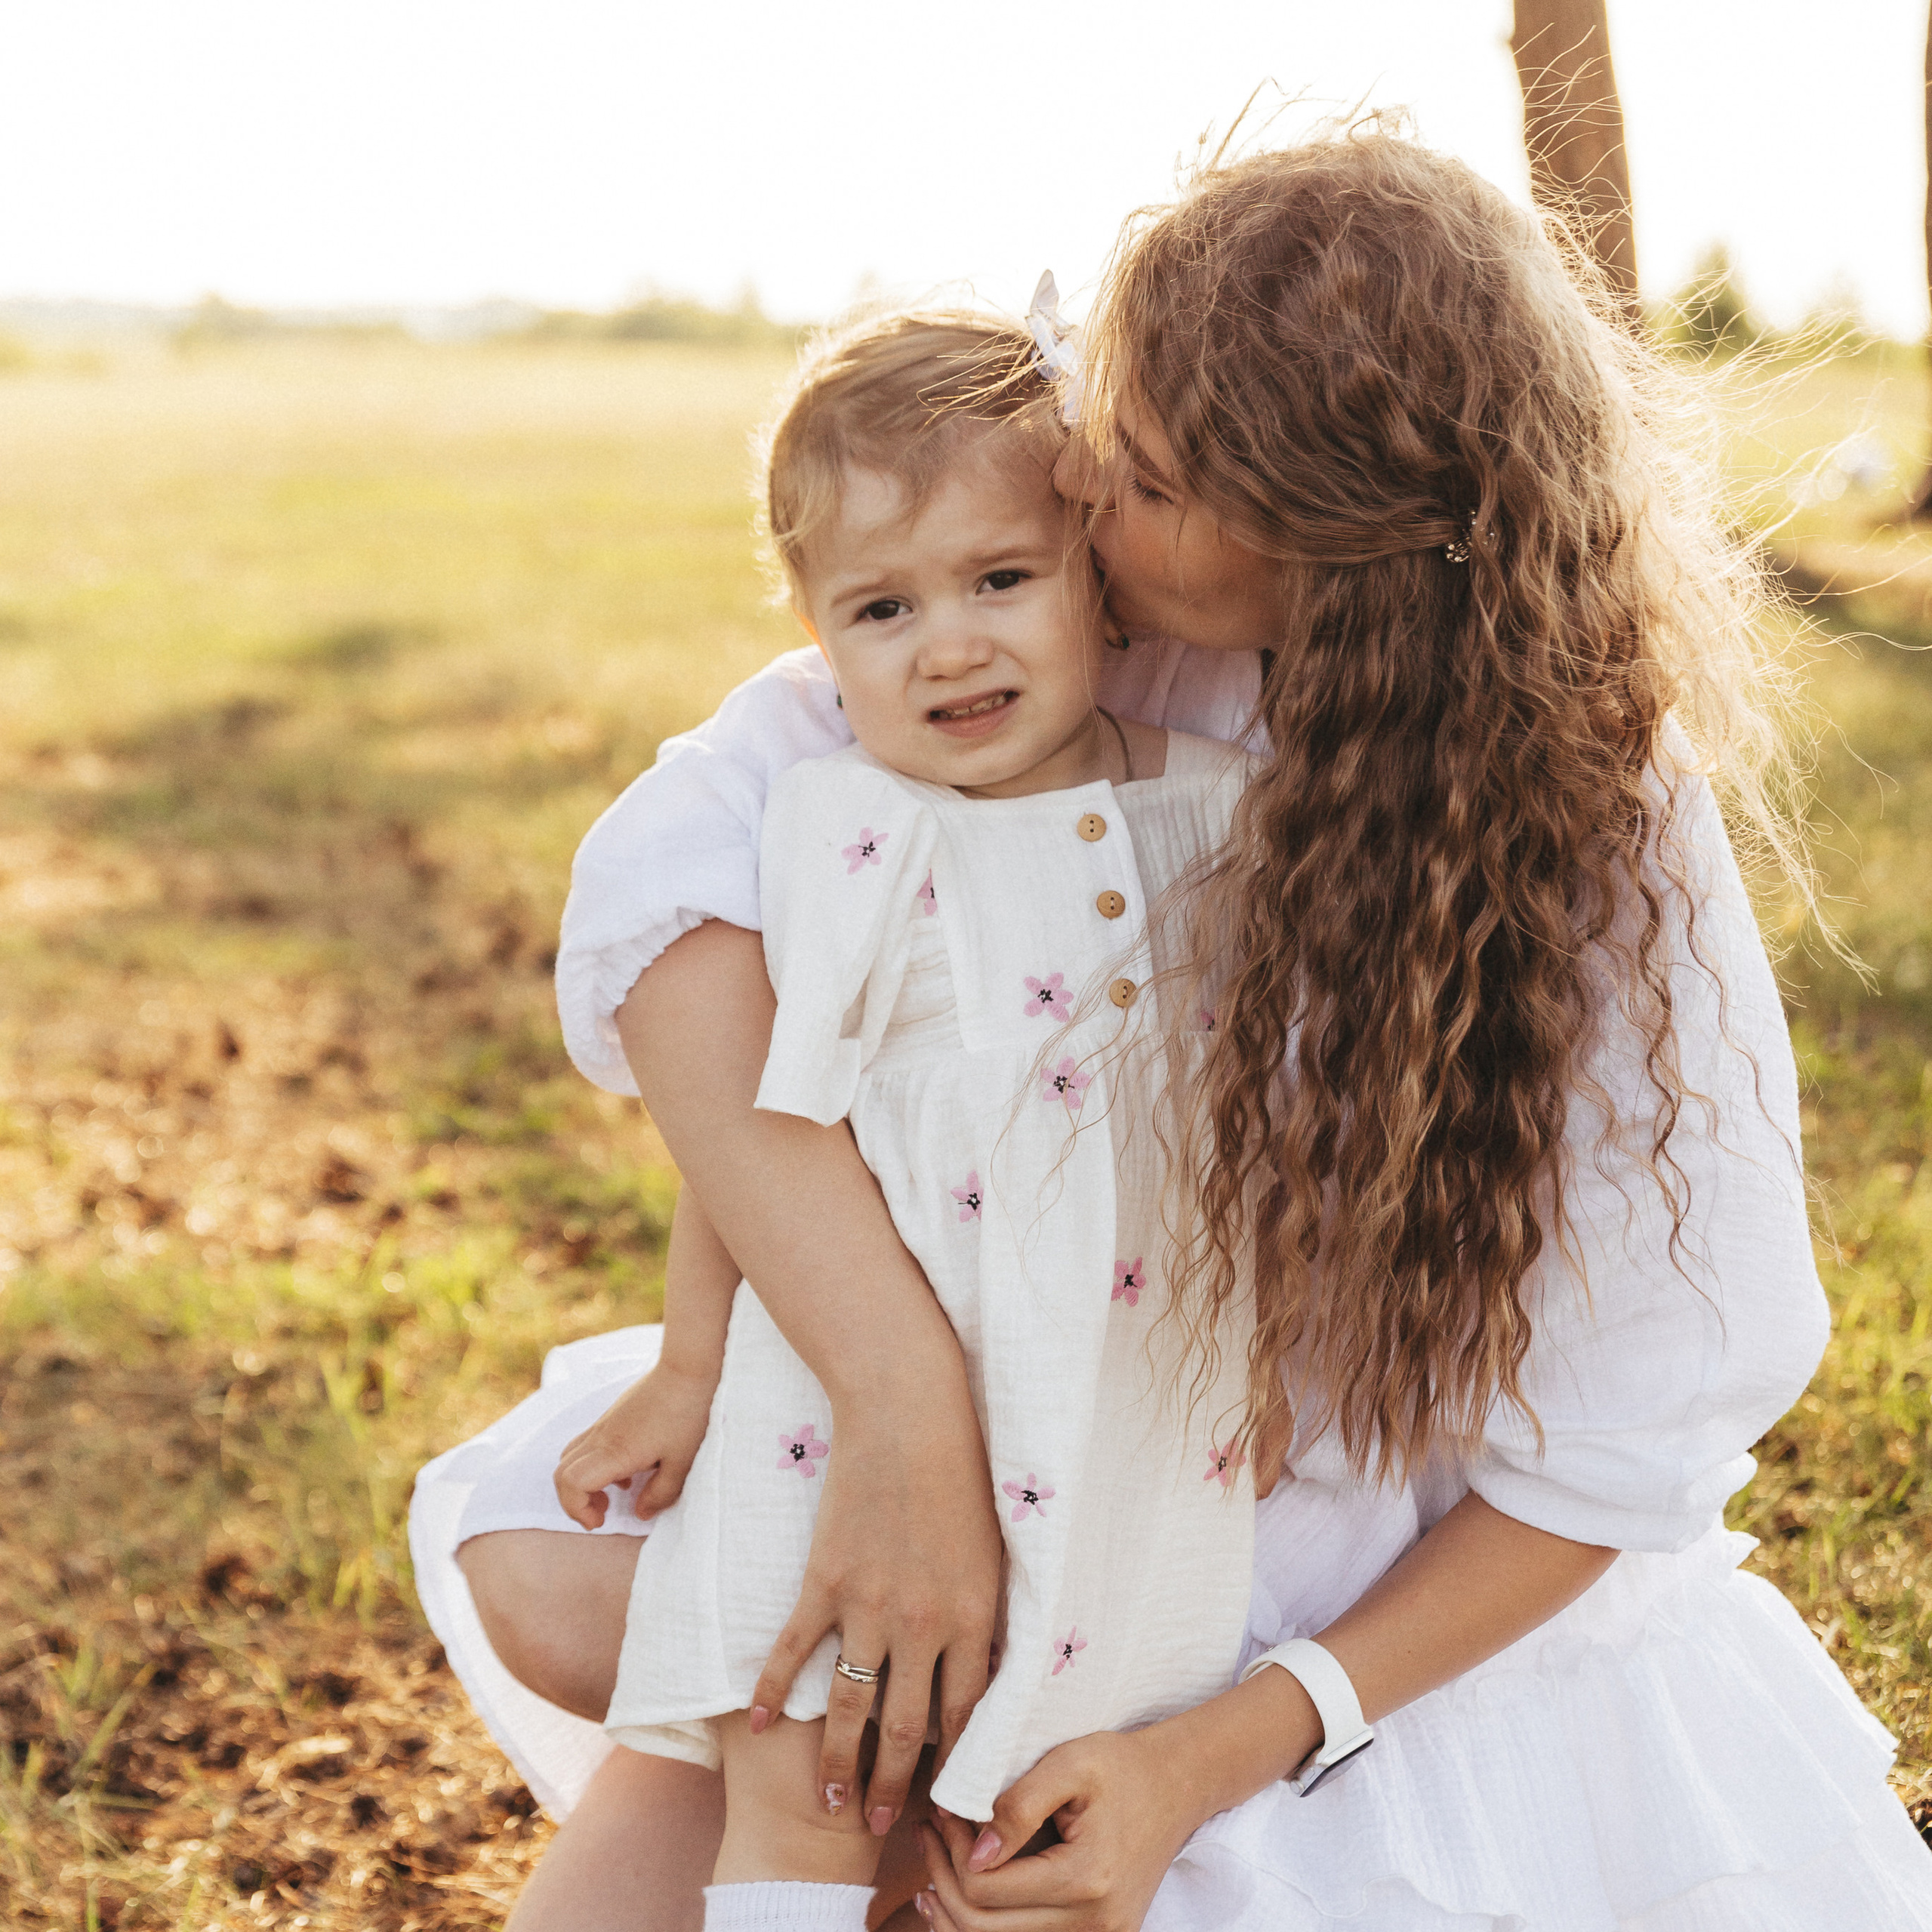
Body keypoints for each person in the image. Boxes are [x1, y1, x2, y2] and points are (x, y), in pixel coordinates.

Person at [411, 125, 1932, 1931]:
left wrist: (1206, 1749)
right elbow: (675, 895)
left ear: (1309, 542)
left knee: (934, 1743)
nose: (1070, 472)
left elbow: (1617, 1454)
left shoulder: (1588, 829)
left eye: (1130, 468)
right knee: (603, 1596)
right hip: (1009, 1399)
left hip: (1312, 1543)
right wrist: (903, 1416)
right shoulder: (1068, 624)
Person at [553, 307, 1258, 1932]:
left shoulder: (1222, 811)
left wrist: (1272, 1343)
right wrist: (684, 1364)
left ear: (1094, 574)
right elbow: (756, 1130)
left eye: (998, 579)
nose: (949, 645)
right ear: (811, 635)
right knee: (808, 1765)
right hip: (838, 1405)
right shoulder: (838, 826)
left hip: (1117, 1389)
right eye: (882, 608)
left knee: (1027, 1801)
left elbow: (1257, 1126)